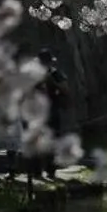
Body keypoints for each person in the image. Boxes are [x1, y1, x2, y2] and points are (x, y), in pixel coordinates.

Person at [36, 48, 69, 178]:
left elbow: (65, 89)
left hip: (52, 110)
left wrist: (52, 82)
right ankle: (37, 170)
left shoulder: (55, 74)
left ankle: (50, 169)